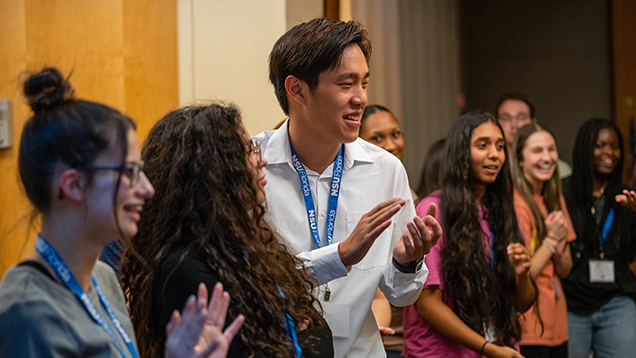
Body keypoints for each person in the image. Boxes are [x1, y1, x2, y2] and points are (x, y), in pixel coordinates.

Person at [0, 67, 243, 358]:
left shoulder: (102, 278)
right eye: (129, 172)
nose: (147, 188)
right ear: (74, 184)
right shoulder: (27, 310)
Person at [255, 18, 442, 358]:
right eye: (346, 84)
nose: (361, 99)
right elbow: (249, 281)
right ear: (296, 89)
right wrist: (339, 255)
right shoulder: (251, 166)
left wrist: (406, 263)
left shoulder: (384, 170)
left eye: (364, 83)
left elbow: (401, 294)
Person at [121, 103, 334, 358]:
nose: (261, 160)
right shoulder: (184, 269)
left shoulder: (240, 244)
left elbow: (320, 330)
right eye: (248, 151)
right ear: (213, 170)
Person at [403, 111, 536, 358]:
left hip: (496, 347)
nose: (494, 154)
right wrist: (488, 348)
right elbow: (428, 305)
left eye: (499, 146)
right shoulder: (434, 209)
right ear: (461, 152)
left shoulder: (503, 213)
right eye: (482, 145)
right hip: (440, 353)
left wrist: (523, 275)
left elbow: (522, 302)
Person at [561, 118, 636, 358]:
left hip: (616, 300)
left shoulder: (626, 197)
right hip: (571, 303)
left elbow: (630, 253)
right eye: (600, 145)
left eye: (614, 146)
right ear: (585, 148)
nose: (609, 153)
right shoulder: (562, 192)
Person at [510, 123, 575, 358]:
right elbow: (522, 273)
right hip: (528, 325)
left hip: (557, 321)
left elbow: (565, 269)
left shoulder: (554, 198)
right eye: (537, 151)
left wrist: (557, 244)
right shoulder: (515, 202)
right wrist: (550, 240)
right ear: (519, 159)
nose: (547, 157)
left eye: (551, 149)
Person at [359, 104, 411, 357]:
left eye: (395, 134)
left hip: (408, 339)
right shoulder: (357, 201)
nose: (391, 145)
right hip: (378, 340)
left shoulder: (411, 196)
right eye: (377, 138)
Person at [496, 91, 572, 178]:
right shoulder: (492, 168)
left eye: (521, 117)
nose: (514, 125)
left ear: (533, 122)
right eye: (506, 118)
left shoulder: (559, 169)